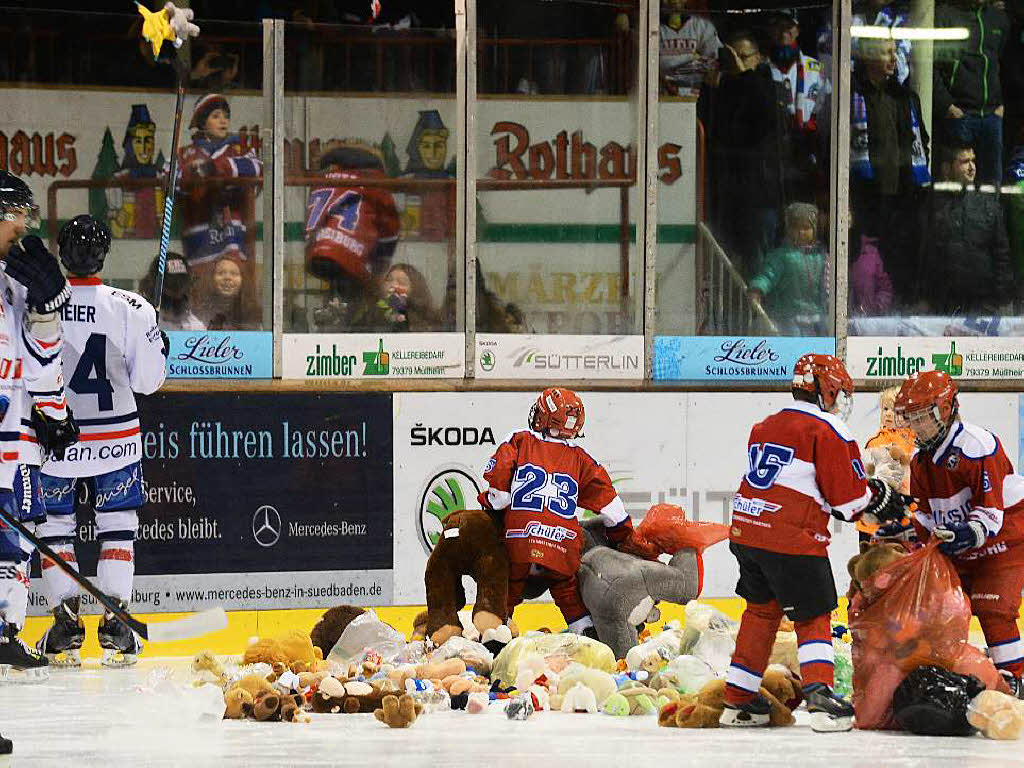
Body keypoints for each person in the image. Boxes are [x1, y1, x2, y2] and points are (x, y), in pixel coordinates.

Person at [721, 353, 902, 730]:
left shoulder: (766, 424)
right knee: (814, 613)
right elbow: (848, 502)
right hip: (790, 538)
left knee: (762, 611)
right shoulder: (830, 429)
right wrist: (880, 500)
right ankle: (820, 696)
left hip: (747, 530)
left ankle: (738, 699)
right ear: (829, 390)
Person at [35, 214, 168, 668]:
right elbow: (148, 383)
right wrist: (158, 345)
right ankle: (117, 624)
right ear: (104, 254)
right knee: (118, 527)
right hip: (117, 438)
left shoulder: (41, 301)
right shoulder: (133, 307)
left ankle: (64, 623)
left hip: (54, 438)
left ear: (60, 253)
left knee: (54, 528)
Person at [478, 388, 658, 638]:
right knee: (567, 592)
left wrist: (489, 502)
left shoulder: (518, 439)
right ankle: (586, 636)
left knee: (507, 591)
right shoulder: (582, 459)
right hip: (561, 543)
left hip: (520, 538)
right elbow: (612, 509)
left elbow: (500, 495)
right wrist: (625, 539)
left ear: (542, 417)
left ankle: (496, 639)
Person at [894, 371, 1024, 697]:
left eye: (926, 416)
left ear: (948, 408)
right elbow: (924, 513)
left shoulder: (977, 446)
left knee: (992, 607)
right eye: (913, 418)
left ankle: (1014, 680)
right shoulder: (920, 461)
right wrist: (917, 537)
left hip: (1005, 538)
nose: (919, 426)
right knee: (944, 610)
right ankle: (957, 675)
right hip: (962, 545)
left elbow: (991, 512)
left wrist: (967, 533)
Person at [0, 171, 78, 681]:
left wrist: (47, 311)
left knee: (18, 528)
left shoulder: (14, 275)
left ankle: (5, 629)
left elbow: (36, 360)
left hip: (14, 420)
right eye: (17, 215)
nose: (24, 226)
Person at [850, 37, 930, 305]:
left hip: (902, 199)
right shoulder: (851, 95)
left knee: (900, 265)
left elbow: (922, 143)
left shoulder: (906, 97)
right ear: (868, 57)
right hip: (866, 199)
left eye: (894, 52)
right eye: (887, 53)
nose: (893, 58)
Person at [710, 30, 785, 276]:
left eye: (744, 55)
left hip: (760, 194)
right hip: (728, 192)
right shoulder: (721, 90)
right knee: (728, 263)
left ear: (759, 58)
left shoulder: (769, 88)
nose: (737, 61)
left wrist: (744, 73)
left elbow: (765, 120)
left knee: (758, 263)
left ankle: (758, 314)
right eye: (733, 56)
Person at [306, 142, 399, 331]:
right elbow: (390, 229)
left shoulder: (323, 178)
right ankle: (355, 331)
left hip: (316, 252)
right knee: (361, 301)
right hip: (349, 255)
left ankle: (330, 319)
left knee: (336, 293)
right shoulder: (374, 179)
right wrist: (381, 264)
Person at [178, 93, 262, 288]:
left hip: (234, 237)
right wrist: (190, 174)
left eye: (225, 116)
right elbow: (170, 178)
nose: (223, 121)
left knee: (237, 294)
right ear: (202, 121)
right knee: (200, 291)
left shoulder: (240, 150)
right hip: (199, 241)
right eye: (215, 116)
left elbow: (258, 167)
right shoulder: (185, 154)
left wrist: (215, 168)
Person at [921, 141, 1012, 315]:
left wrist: (1003, 299)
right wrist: (922, 298)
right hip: (941, 304)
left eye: (973, 161)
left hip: (983, 304)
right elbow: (924, 255)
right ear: (947, 168)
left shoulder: (988, 204)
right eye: (964, 162)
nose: (971, 167)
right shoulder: (932, 206)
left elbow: (1002, 255)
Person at [934, 0, 1009, 184]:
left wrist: (1001, 104)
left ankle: (989, 214)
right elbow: (930, 65)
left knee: (992, 187)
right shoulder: (944, 15)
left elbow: (1005, 63)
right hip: (959, 114)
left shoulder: (997, 18)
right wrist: (947, 105)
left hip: (992, 116)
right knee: (955, 184)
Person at [747, 202, 828, 335]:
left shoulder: (821, 256)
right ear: (788, 229)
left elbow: (826, 285)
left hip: (815, 318)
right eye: (796, 228)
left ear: (815, 230)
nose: (801, 232)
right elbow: (768, 274)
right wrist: (757, 288)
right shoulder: (781, 256)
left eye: (806, 228)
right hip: (787, 317)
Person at [351, 263, 441, 332]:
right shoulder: (370, 314)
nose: (393, 285)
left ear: (414, 290)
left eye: (401, 282)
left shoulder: (426, 319)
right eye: (389, 280)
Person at [658, 0, 721, 98]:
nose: (674, 1)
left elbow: (715, 60)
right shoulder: (651, 26)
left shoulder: (702, 25)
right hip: (661, 92)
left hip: (698, 91)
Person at [194, 253, 261, 331]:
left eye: (234, 273)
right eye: (221, 273)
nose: (227, 277)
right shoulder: (200, 314)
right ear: (211, 279)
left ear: (243, 280)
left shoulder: (254, 314)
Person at [139, 252, 204, 331]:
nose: (176, 293)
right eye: (170, 285)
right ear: (154, 284)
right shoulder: (136, 316)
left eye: (181, 285)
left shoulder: (195, 326)